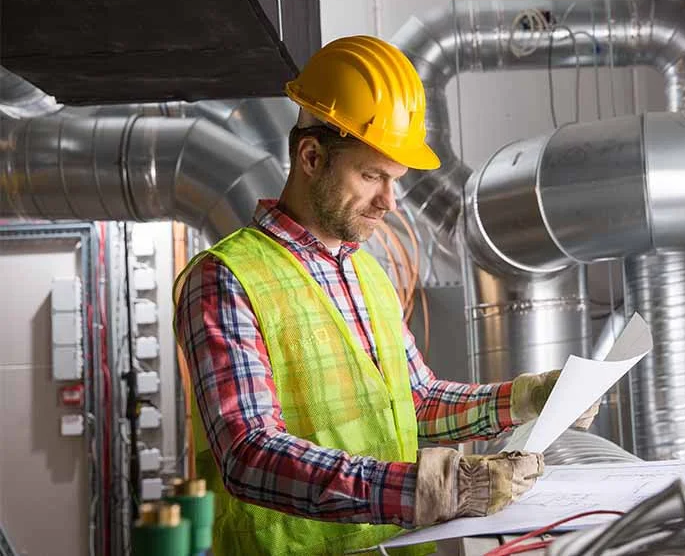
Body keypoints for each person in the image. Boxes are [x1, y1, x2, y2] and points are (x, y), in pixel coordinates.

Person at [173, 35, 599, 556]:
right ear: (311, 157)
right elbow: (249, 454)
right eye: (372, 175)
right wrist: (427, 489)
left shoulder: (368, 274)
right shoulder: (226, 279)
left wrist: (527, 399)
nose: (388, 202)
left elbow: (415, 403)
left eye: (395, 179)